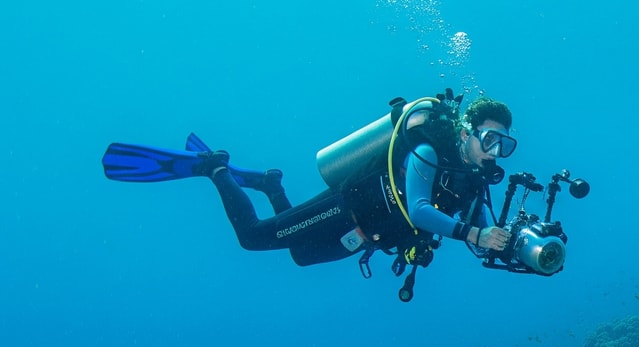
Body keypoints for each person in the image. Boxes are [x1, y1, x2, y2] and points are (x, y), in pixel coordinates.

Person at [104, 95, 516, 273]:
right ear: (466, 132)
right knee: (252, 238)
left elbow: (473, 232)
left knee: (299, 255)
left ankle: (269, 185)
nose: (495, 152)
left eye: (505, 144)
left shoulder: (474, 181)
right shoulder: (428, 153)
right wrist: (475, 232)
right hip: (345, 208)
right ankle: (216, 169)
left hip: (367, 235)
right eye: (489, 139)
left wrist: (501, 241)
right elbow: (419, 210)